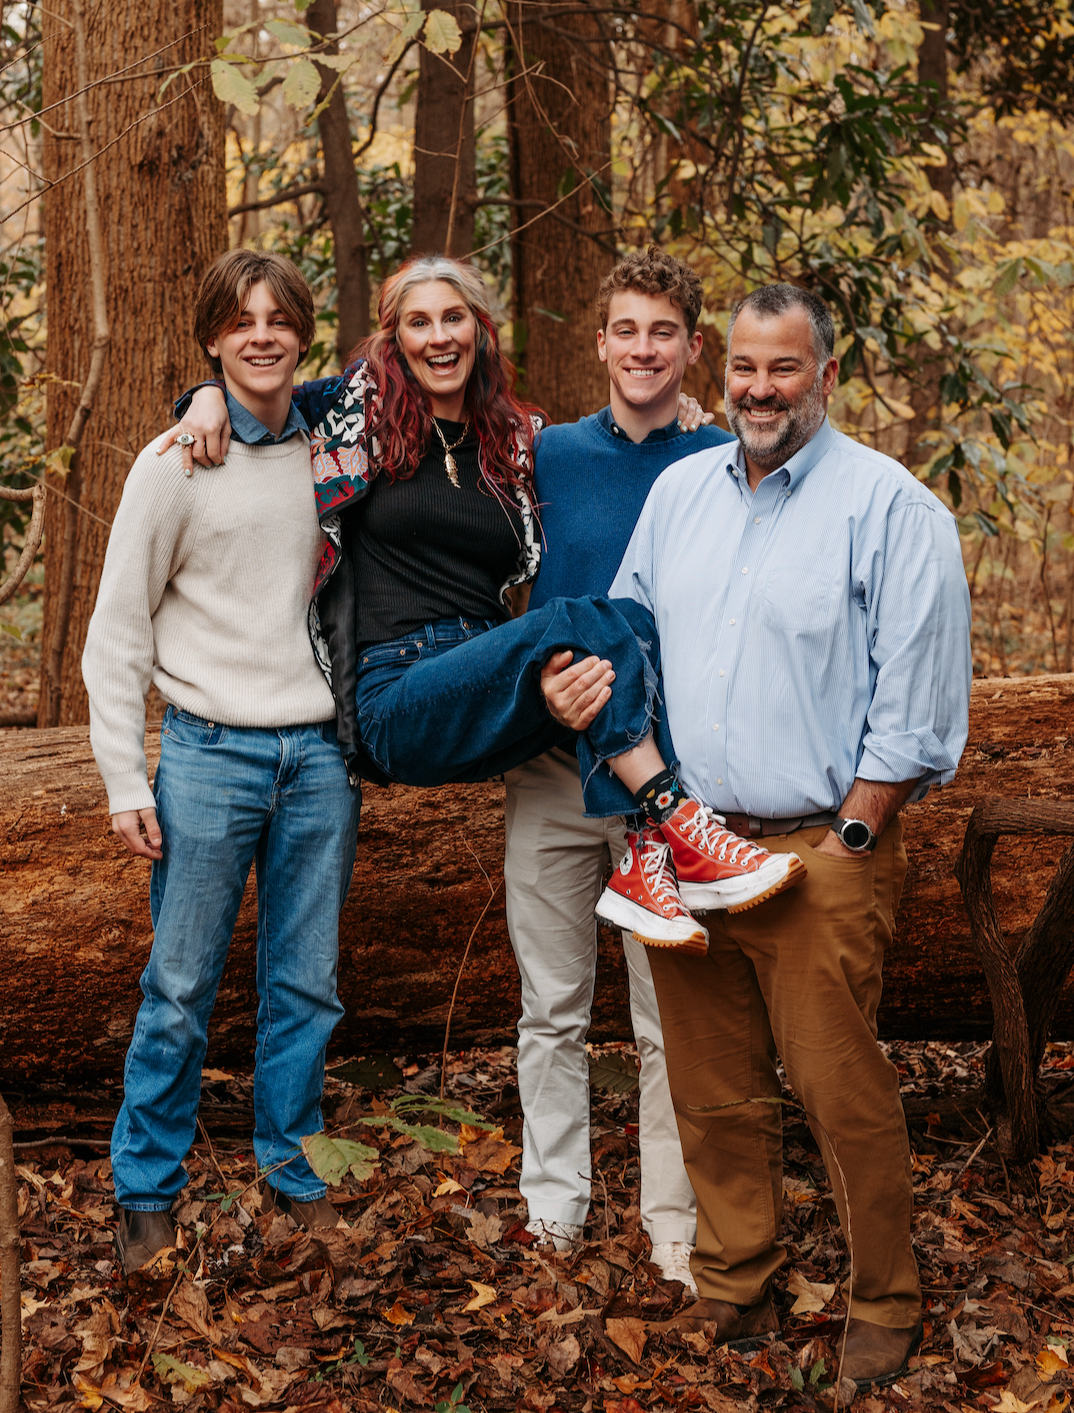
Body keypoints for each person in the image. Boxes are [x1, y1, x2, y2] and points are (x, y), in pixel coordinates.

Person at [549, 283, 972, 1391]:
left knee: (841, 1092)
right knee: (712, 1088)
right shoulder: (681, 493)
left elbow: (917, 711)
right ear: (720, 369)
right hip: (688, 845)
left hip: (820, 850)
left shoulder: (891, 508)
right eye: (744, 367)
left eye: (784, 368)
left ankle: (884, 1298)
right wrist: (592, 711)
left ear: (825, 375)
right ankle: (737, 1280)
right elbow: (629, 644)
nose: (761, 388)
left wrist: (852, 842)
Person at [171, 256, 805, 944]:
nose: (439, 336)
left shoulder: (517, 439)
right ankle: (673, 820)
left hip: (494, 686)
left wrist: (682, 415)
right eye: (419, 322)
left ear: (479, 329)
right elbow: (264, 390)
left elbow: (623, 448)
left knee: (624, 617)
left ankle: (647, 856)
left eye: (454, 318)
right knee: (579, 617)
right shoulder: (357, 410)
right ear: (395, 336)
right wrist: (205, 395)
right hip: (396, 693)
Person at [82, 251, 361, 1275]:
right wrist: (124, 776)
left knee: (307, 983)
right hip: (207, 752)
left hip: (319, 756)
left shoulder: (334, 452)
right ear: (212, 339)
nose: (261, 336)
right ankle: (146, 1191)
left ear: (302, 333)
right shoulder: (174, 464)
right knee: (180, 982)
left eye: (278, 319)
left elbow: (427, 385)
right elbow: (117, 629)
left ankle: (293, 1169)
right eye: (240, 322)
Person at [503, 249, 736, 1282]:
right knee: (551, 1007)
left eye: (663, 333)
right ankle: (553, 1209)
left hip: (664, 790)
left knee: (666, 1017)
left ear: (694, 347)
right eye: (627, 331)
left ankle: (673, 1226)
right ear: (599, 343)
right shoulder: (546, 456)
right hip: (552, 774)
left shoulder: (725, 459)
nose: (643, 350)